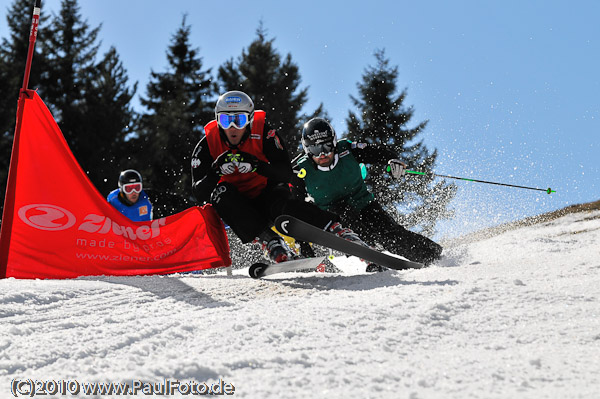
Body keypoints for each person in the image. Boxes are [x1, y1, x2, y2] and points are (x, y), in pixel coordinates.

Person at [191, 91, 373, 266]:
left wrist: (257, 166)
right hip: (239, 206)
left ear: (250, 119)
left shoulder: (265, 133)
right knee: (221, 193)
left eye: (240, 120)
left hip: (268, 195)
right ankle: (270, 242)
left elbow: (287, 173)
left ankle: (337, 229)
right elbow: (199, 192)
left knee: (282, 205)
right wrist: (216, 171)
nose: (232, 127)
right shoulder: (207, 144)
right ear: (217, 120)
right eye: (225, 120)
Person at [291, 117, 443, 266]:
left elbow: (377, 153)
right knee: (344, 213)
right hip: (331, 219)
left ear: (334, 143)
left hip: (364, 205)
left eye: (326, 147)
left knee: (391, 236)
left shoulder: (347, 150)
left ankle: (434, 255)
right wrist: (305, 249)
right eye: (315, 149)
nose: (322, 154)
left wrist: (392, 160)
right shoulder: (300, 170)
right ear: (306, 150)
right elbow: (295, 210)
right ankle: (366, 250)